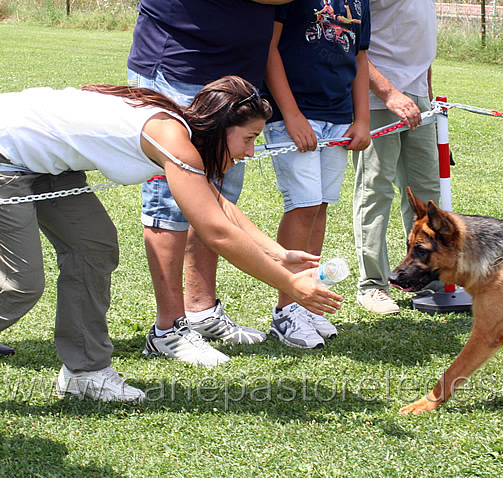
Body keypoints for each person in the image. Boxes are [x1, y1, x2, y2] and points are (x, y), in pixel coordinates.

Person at [0, 76, 343, 401]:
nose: (251, 152)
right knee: (22, 284)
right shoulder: (173, 138)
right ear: (220, 127)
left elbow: (219, 206)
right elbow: (217, 234)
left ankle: (85, 371)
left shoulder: (183, 135)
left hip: (44, 163)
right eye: (249, 138)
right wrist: (290, 284)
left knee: (93, 247)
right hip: (7, 151)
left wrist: (278, 254)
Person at [126, 0, 293, 365]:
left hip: (238, 77)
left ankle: (200, 312)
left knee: (218, 193)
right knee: (169, 202)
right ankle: (168, 330)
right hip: (180, 64)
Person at [261, 0, 371, 348]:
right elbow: (269, 47)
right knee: (303, 205)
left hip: (338, 116)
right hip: (295, 115)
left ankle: (307, 300)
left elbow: (360, 58)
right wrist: (290, 115)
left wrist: (362, 119)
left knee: (320, 205)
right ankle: (286, 309)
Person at [352, 0, 440, 315]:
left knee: (427, 193)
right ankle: (372, 285)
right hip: (377, 98)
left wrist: (428, 96)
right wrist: (389, 94)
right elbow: (353, 44)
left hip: (418, 98)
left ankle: (426, 276)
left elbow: (422, 44)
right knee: (375, 189)